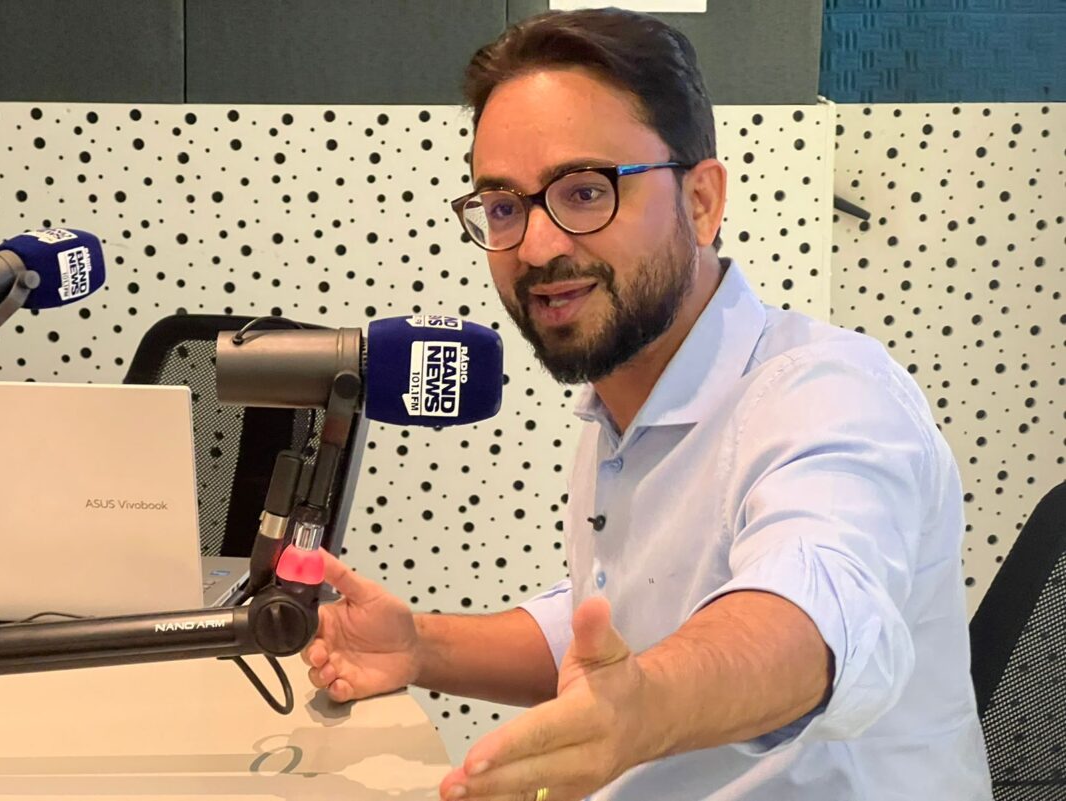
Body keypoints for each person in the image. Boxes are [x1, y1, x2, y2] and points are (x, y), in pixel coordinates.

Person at [303, 8, 992, 800]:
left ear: (701, 201)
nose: (537, 247)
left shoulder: (831, 393)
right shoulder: (623, 406)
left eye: (585, 192)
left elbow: (812, 612)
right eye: (504, 206)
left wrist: (646, 709)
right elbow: (622, 625)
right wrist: (419, 646)